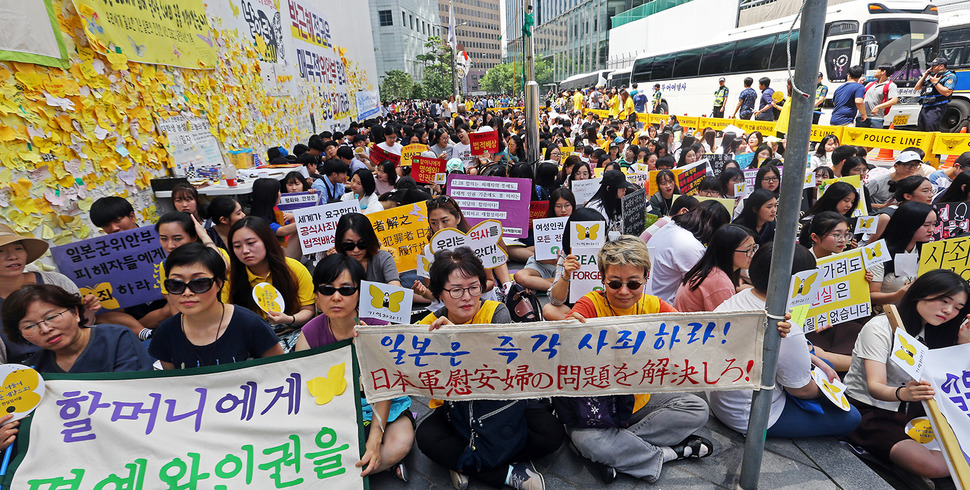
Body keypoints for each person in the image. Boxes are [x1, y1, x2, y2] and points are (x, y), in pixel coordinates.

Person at [549, 236, 713, 483]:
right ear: (602, 278)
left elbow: (696, 331)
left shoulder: (656, 306)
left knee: (698, 408)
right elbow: (570, 328)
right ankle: (669, 454)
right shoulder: (590, 304)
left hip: (639, 399)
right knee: (588, 440)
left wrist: (766, 327)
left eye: (633, 284)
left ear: (646, 277)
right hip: (595, 408)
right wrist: (570, 329)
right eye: (614, 284)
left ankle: (617, 452)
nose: (624, 291)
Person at [415, 247, 564, 490]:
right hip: (456, 409)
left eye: (474, 287)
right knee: (426, 438)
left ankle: (467, 461)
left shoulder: (496, 311)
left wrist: (455, 337)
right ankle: (506, 473)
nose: (467, 297)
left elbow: (497, 366)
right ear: (440, 294)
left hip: (499, 403)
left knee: (551, 433)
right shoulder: (427, 327)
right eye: (456, 290)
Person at [709, 243, 861, 437]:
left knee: (823, 362)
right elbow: (802, 391)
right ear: (798, 282)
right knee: (852, 417)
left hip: (721, 401)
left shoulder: (743, 296)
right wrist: (831, 390)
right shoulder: (783, 325)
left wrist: (813, 358)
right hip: (751, 415)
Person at [844, 269, 970, 484]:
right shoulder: (879, 327)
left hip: (919, 409)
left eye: (958, 307)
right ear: (921, 292)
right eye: (943, 301)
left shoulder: (939, 329)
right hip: (871, 410)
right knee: (933, 465)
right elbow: (875, 386)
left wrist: (963, 344)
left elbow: (949, 379)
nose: (948, 311)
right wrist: (905, 393)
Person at [294, 254, 413, 482]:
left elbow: (386, 388)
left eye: (346, 290)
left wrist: (375, 439)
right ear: (316, 295)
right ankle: (365, 468)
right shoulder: (309, 334)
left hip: (381, 404)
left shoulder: (377, 326)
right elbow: (304, 391)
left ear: (360, 293)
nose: (336, 297)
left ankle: (341, 473)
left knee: (400, 444)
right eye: (327, 289)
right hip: (334, 410)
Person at [149, 243, 284, 369]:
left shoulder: (250, 325)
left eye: (199, 283)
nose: (187, 292)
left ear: (219, 284)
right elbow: (173, 385)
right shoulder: (165, 333)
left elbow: (281, 371)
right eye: (176, 284)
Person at [2, 284, 153, 373]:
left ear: (75, 313)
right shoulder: (32, 370)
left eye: (51, 317)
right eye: (29, 326)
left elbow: (135, 390)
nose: (45, 329)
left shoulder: (116, 338)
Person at [227, 217, 315, 350]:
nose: (245, 250)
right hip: (251, 340)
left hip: (294, 333)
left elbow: (308, 310)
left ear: (267, 242)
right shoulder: (230, 279)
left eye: (251, 243)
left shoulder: (295, 269)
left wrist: (288, 319)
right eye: (237, 246)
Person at [647, 200, 730, 303]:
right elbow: (704, 286)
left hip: (653, 298)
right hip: (663, 307)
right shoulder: (691, 246)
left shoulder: (671, 226)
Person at [674, 224, 757, 312]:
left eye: (754, 248)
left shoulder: (711, 270)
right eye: (748, 250)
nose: (753, 254)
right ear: (728, 251)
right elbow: (724, 322)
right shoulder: (719, 282)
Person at [513, 188, 576, 293]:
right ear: (553, 207)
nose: (563, 210)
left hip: (567, 268)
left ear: (573, 205)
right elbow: (539, 256)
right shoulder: (545, 224)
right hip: (544, 266)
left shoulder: (579, 223)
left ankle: (540, 284)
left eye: (567, 205)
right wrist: (555, 261)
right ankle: (559, 287)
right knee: (520, 276)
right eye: (559, 206)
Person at [333, 213, 401, 287]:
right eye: (349, 245)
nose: (356, 250)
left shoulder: (382, 258)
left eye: (362, 244)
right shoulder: (335, 264)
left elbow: (395, 287)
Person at [914, 57, 957, 132]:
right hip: (925, 107)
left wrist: (935, 83)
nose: (931, 68)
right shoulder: (933, 76)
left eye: (934, 66)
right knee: (921, 130)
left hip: (936, 107)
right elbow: (917, 88)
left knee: (930, 130)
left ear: (941, 66)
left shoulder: (950, 76)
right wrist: (925, 75)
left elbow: (947, 92)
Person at [860, 64, 899, 129]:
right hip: (862, 117)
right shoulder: (870, 84)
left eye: (877, 69)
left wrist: (878, 107)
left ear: (883, 72)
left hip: (876, 119)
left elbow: (894, 100)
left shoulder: (891, 85)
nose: (875, 71)